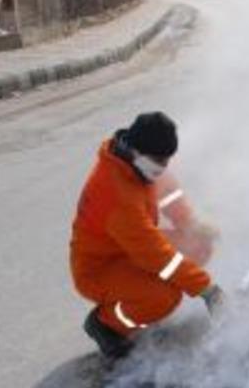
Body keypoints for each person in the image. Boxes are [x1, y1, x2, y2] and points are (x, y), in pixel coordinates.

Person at [70, 112, 224, 360]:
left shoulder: (141, 163)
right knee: (164, 297)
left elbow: (169, 194)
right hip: (100, 268)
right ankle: (107, 324)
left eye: (167, 160)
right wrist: (207, 289)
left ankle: (143, 300)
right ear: (137, 151)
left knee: (199, 245)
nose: (164, 166)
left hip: (131, 248)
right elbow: (156, 255)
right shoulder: (115, 195)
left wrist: (189, 224)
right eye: (159, 160)